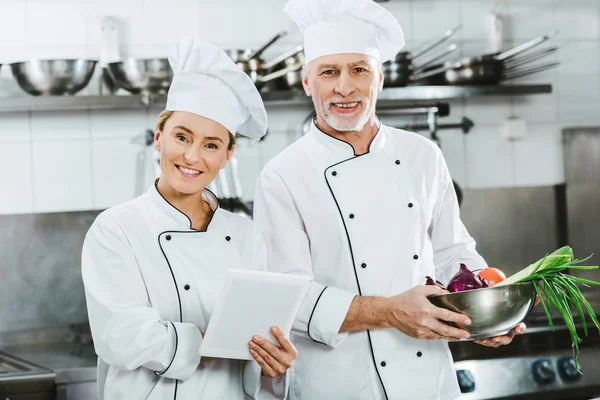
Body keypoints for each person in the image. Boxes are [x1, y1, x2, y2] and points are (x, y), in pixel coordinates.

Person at [252, 1, 525, 399]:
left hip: (426, 379)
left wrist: (484, 314)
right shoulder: (282, 175)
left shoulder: (422, 154)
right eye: (329, 72)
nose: (344, 87)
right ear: (308, 82)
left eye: (359, 69)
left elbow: (453, 252)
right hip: (338, 383)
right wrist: (390, 311)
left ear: (379, 79)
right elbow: (289, 298)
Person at [81, 36, 296, 400]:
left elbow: (257, 344)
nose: (193, 156)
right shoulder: (116, 229)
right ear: (159, 138)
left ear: (227, 156)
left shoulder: (246, 235)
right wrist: (208, 344)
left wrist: (273, 360)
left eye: (211, 144)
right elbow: (121, 337)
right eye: (182, 137)